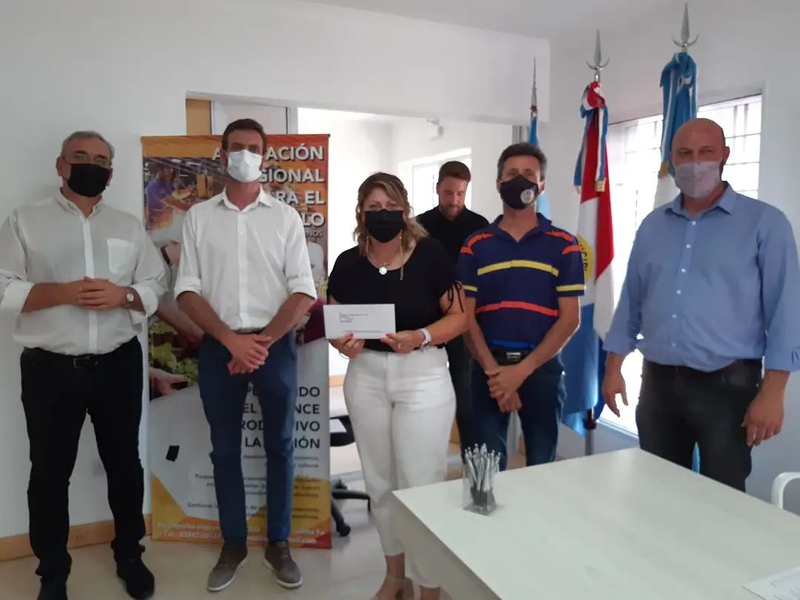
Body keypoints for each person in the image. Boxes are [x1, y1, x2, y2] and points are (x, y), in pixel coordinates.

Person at [0, 131, 167, 600]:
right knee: (49, 474)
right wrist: (63, 292)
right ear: (61, 165)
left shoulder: (128, 226)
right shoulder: (24, 221)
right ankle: (52, 573)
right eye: (80, 156)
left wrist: (124, 295)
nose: (90, 164)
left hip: (118, 364)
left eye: (100, 159)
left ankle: (129, 555)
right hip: (49, 371)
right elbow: (3, 285)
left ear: (110, 174)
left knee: (124, 465)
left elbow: (155, 283)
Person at [602, 118, 800, 491]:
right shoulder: (653, 226)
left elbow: (786, 311)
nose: (695, 163)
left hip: (727, 390)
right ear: (672, 159)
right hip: (658, 386)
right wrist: (613, 368)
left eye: (706, 152)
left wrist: (774, 393)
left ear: (724, 155)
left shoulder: (765, 224)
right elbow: (632, 301)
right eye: (685, 153)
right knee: (659, 491)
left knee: (721, 500)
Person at [175, 118, 316, 592]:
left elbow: (303, 291)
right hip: (220, 347)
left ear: (265, 156)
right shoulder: (198, 217)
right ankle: (233, 544)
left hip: (273, 347)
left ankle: (279, 544)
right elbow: (186, 291)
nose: (245, 155)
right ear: (221, 154)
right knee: (224, 450)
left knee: (281, 446)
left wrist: (260, 344)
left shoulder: (285, 217)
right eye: (236, 147)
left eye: (254, 148)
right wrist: (231, 341)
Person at [327, 172, 466, 600]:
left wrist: (420, 335)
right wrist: (342, 344)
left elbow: (459, 317)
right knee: (380, 483)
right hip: (366, 376)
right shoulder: (347, 263)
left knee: (421, 485)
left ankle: (430, 586)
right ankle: (394, 576)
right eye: (374, 207)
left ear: (405, 212)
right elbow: (335, 321)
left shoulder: (430, 254)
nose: (383, 214)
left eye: (391, 207)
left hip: (423, 375)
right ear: (360, 214)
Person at [458, 143, 584, 470]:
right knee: (486, 470)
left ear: (541, 186)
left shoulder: (564, 245)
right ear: (498, 184)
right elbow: (465, 318)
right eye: (512, 173)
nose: (520, 180)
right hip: (488, 369)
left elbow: (570, 320)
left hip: (541, 370)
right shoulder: (475, 245)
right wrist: (497, 375)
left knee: (542, 468)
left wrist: (519, 372)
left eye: (529, 174)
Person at [416, 161, 488, 454]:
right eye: (448, 193)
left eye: (460, 194)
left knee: (466, 398)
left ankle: (473, 468)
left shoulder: (480, 226)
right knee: (422, 396)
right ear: (437, 189)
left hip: (464, 323)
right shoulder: (418, 226)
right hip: (426, 322)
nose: (454, 200)